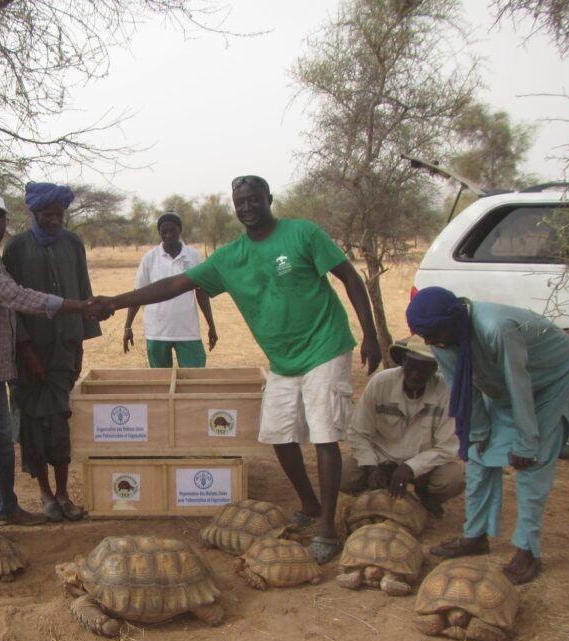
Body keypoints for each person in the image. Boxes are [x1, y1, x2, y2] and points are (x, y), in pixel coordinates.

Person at [103, 175, 381, 564]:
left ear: (269, 197)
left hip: (325, 345)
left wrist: (370, 334)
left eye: (253, 199)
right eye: (240, 201)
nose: (247, 207)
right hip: (283, 360)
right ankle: (310, 504)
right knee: (279, 435)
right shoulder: (229, 257)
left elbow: (349, 277)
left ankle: (328, 530)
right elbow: (173, 286)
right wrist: (116, 302)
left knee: (323, 435)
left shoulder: (303, 234)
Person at [0, 191, 110, 535]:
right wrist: (80, 307)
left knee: (0, 442)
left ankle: (5, 508)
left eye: (0, 218)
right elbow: (15, 297)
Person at [406, 286, 569, 584]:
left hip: (548, 378)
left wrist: (527, 440)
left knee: (530, 463)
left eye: (433, 334)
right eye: (424, 335)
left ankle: (528, 550)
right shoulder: (443, 340)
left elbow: (519, 383)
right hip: (500, 384)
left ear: (452, 320)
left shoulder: (496, 329)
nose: (429, 341)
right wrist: (479, 430)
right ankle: (475, 536)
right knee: (478, 455)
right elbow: (462, 385)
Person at [1, 183, 102, 522]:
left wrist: (81, 342)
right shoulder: (16, 249)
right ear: (34, 213)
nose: (55, 220)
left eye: (60, 214)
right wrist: (26, 351)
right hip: (29, 353)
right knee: (33, 426)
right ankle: (44, 494)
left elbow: (83, 290)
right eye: (48, 215)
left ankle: (63, 493)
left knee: (60, 424)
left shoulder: (73, 244)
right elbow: (11, 303)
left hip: (64, 350)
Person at [343, 335, 464, 517]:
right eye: (412, 367)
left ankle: (427, 496)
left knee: (453, 480)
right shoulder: (380, 383)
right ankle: (375, 491)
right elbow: (359, 432)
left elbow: (447, 447)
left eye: (423, 369)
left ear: (434, 369)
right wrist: (371, 466)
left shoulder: (446, 391)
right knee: (344, 476)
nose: (415, 375)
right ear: (403, 360)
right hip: (381, 456)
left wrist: (412, 468)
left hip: (424, 463)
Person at [122, 212, 217, 367]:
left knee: (195, 380)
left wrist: (211, 326)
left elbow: (201, 293)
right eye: (164, 231)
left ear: (180, 230)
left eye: (172, 230)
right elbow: (137, 295)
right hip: (157, 331)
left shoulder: (193, 256)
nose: (168, 235)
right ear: (159, 232)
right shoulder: (150, 258)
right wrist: (127, 326)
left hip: (187, 331)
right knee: (161, 382)